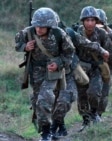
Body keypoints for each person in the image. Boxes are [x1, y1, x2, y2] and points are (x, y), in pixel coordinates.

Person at [15, 7, 75, 141]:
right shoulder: (28, 32)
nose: (38, 29)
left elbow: (69, 53)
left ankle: (46, 133)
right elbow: (17, 42)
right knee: (38, 102)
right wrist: (25, 47)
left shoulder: (59, 34)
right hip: (35, 71)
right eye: (36, 25)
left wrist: (59, 63)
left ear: (50, 26)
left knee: (44, 98)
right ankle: (48, 130)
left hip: (52, 71)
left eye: (42, 26)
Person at [50, 12, 109, 140]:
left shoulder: (68, 33)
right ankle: (57, 128)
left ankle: (90, 116)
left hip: (71, 71)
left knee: (67, 99)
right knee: (49, 102)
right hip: (48, 74)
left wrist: (102, 51)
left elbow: (84, 43)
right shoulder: (34, 36)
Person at [76, 6, 112, 131]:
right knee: (82, 96)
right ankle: (85, 120)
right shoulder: (77, 33)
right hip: (81, 69)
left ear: (96, 21)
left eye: (92, 20)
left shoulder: (102, 34)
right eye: (87, 20)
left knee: (94, 93)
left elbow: (110, 53)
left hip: (96, 69)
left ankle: (94, 113)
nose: (90, 23)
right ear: (83, 21)